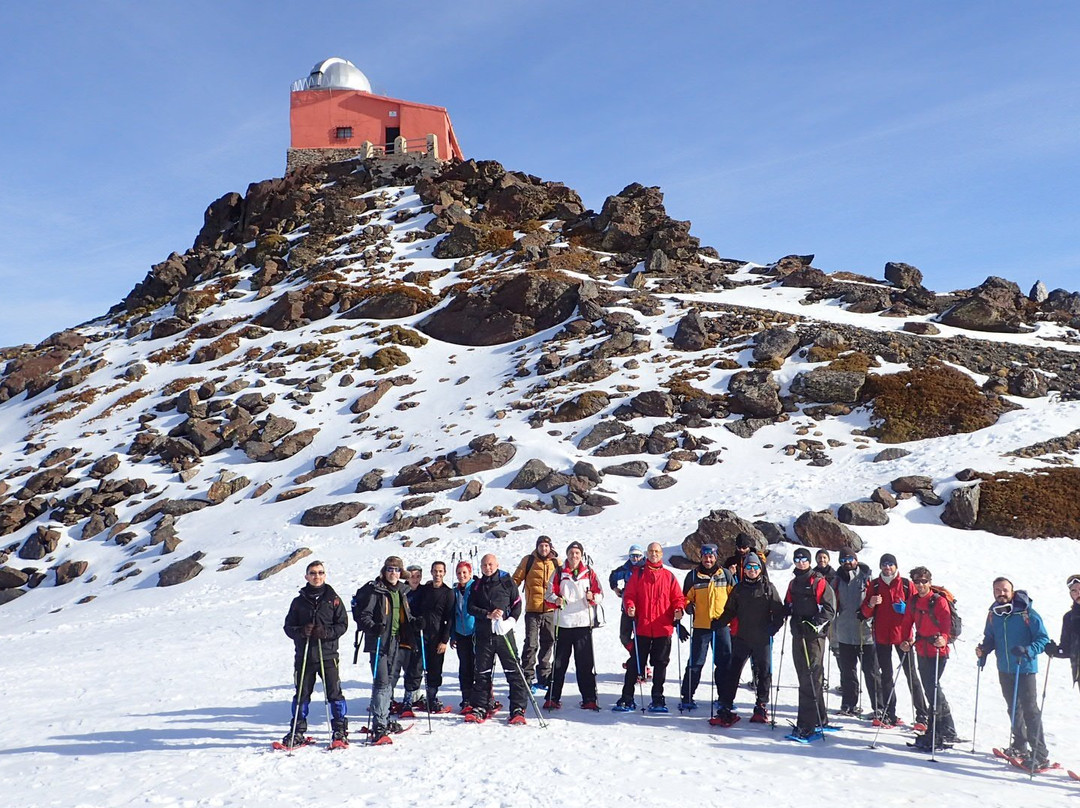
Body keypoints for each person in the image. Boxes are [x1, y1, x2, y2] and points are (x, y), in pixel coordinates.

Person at [975, 577, 1051, 769]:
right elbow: (990, 637)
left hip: (1024, 668)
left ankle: (1040, 754)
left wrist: (1028, 650)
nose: (1001, 593)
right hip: (1005, 667)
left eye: (1004, 590)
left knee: (1030, 711)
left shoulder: (1028, 613)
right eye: (997, 590)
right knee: (1013, 708)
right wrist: (984, 650)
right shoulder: (993, 614)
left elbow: (1043, 639)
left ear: (1012, 591)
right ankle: (1020, 746)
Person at [281, 560, 349, 748]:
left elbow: (343, 624)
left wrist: (326, 632)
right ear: (306, 577)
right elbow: (288, 627)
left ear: (325, 575)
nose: (316, 576)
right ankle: (297, 730)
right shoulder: (298, 601)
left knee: (334, 693)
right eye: (313, 573)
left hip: (327, 655)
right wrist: (302, 631)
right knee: (301, 694)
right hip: (304, 656)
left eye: (320, 573)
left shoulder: (333, 599)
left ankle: (340, 729)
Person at [859, 553, 929, 730]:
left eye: (890, 564)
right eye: (884, 564)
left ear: (896, 566)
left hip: (903, 638)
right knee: (886, 676)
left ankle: (922, 715)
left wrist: (906, 609)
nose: (887, 567)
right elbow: (865, 613)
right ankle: (889, 713)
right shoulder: (874, 585)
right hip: (882, 636)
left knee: (911, 675)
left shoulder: (906, 584)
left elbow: (918, 610)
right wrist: (871, 604)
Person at [714, 551, 785, 725]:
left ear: (760, 569)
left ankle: (761, 705)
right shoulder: (739, 589)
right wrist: (720, 622)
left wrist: (772, 629)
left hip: (762, 639)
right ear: (744, 570)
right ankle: (726, 704)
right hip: (742, 637)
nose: (752, 570)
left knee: (764, 672)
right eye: (748, 567)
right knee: (733, 671)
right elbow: (730, 610)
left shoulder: (768, 588)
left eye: (755, 567)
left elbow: (779, 612)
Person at [615, 542, 686, 713]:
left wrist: (679, 610)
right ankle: (627, 696)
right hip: (643, 628)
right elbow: (629, 594)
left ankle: (657, 697)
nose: (654, 554)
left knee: (660, 665)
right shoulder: (638, 575)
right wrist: (630, 605)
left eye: (657, 551)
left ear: (661, 554)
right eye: (651, 551)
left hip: (663, 628)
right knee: (635, 664)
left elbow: (678, 598)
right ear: (647, 554)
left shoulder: (669, 576)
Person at [355, 555, 417, 745]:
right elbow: (364, 616)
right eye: (390, 569)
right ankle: (379, 725)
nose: (393, 573)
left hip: (395, 643)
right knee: (382, 682)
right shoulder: (376, 591)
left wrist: (416, 622)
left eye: (396, 570)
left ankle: (384, 717)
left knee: (389, 681)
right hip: (379, 643)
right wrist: (374, 627)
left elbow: (404, 617)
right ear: (384, 571)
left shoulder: (401, 592)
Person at [899, 566, 959, 751]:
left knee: (933, 689)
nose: (920, 585)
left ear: (930, 582)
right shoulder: (913, 602)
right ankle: (944, 730)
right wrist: (905, 639)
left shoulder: (938, 601)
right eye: (917, 581)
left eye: (924, 581)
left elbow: (947, 625)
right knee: (931, 689)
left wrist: (944, 639)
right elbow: (906, 623)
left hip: (938, 651)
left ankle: (939, 731)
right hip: (921, 649)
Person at [467, 553, 528, 725]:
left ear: (497, 564)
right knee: (482, 672)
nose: (488, 568)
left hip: (503, 633)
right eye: (485, 565)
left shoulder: (507, 581)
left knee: (513, 671)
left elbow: (517, 603)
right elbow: (470, 607)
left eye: (491, 564)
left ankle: (517, 708)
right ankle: (480, 706)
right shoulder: (477, 585)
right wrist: (487, 614)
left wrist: (510, 621)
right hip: (484, 634)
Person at [784, 547, 836, 741]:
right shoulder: (793, 583)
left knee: (810, 678)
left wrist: (813, 624)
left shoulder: (819, 582)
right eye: (797, 559)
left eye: (804, 559)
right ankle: (820, 718)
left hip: (814, 637)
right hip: (798, 634)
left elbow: (830, 610)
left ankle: (807, 725)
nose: (800, 562)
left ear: (809, 561)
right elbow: (788, 604)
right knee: (804, 676)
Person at [544, 541, 603, 710]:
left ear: (581, 555)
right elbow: (549, 594)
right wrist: (556, 599)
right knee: (560, 663)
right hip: (563, 623)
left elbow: (600, 594)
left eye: (577, 553)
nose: (574, 556)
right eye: (571, 553)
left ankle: (589, 698)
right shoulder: (559, 572)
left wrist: (593, 597)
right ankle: (552, 697)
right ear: (567, 555)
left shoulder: (589, 573)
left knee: (585, 663)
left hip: (583, 623)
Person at [679, 543, 735, 711]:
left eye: (711, 556)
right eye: (705, 556)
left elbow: (734, 598)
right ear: (701, 557)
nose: (708, 560)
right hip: (701, 626)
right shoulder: (693, 576)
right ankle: (687, 696)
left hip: (722, 625)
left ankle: (724, 697)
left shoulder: (725, 574)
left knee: (724, 662)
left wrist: (727, 618)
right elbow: (685, 597)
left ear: (716, 557)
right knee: (696, 662)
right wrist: (688, 606)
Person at [833, 548, 879, 717]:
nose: (847, 562)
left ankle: (879, 706)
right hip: (845, 632)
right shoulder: (837, 581)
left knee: (871, 671)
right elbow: (832, 604)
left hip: (865, 633)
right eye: (843, 560)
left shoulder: (867, 579)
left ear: (856, 560)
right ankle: (848, 704)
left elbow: (876, 602)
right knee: (848, 671)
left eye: (850, 559)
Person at [512, 536, 560, 690]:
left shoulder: (556, 563)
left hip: (551, 610)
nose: (544, 549)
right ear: (537, 547)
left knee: (548, 642)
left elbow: (563, 582)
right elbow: (516, 579)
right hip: (532, 609)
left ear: (550, 547)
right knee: (531, 643)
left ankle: (544, 677)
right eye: (541, 546)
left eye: (546, 546)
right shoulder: (529, 560)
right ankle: (527, 677)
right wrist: (508, 595)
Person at [413, 560, 455, 713]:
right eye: (435, 571)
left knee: (435, 668)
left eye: (440, 571)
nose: (437, 574)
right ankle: (413, 697)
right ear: (431, 572)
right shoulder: (425, 589)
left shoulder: (448, 592)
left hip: (438, 636)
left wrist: (445, 640)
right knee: (417, 666)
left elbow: (450, 618)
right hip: (422, 634)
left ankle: (432, 697)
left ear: (444, 573)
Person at [610, 544, 646, 675]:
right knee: (624, 636)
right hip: (627, 608)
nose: (635, 559)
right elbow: (613, 576)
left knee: (642, 638)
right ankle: (635, 657)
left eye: (637, 556)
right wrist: (615, 589)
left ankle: (640, 665)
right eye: (632, 556)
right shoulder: (626, 568)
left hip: (643, 609)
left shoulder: (647, 568)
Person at [1046, 574, 1080, 690]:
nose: (1078, 593)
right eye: (1074, 590)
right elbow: (1067, 649)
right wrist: (1054, 651)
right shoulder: (1069, 617)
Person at [451, 560, 477, 712]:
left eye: (464, 573)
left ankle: (481, 697)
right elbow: (452, 614)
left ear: (470, 573)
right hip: (461, 634)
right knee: (464, 667)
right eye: (459, 573)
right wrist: (452, 635)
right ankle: (466, 698)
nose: (462, 576)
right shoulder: (454, 591)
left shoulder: (475, 587)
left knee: (477, 666)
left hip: (474, 633)